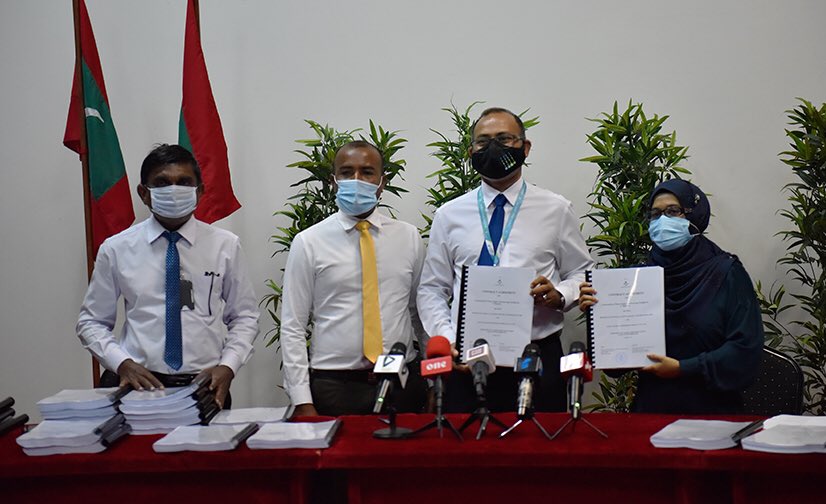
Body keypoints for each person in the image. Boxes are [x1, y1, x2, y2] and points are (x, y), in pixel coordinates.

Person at [417, 107, 595, 413]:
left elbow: (583, 272)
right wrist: (448, 340)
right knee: (466, 454)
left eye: (504, 139)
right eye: (483, 142)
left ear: (525, 148)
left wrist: (559, 295)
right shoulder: (449, 215)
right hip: (467, 360)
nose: (493, 148)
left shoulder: (555, 209)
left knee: (539, 454)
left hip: (536, 357)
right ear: (471, 151)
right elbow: (431, 289)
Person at [77, 144, 259, 409]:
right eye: (161, 183)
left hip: (205, 385)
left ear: (199, 191)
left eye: (184, 182)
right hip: (137, 385)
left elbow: (245, 316)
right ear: (144, 193)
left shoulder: (225, 246)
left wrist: (228, 366)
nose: (173, 190)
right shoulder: (116, 249)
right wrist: (122, 364)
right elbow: (90, 321)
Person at [578, 179, 764, 414]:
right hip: (651, 413)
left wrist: (683, 368)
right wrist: (599, 316)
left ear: (695, 216)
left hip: (713, 414)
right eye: (655, 214)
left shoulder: (726, 273)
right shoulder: (639, 279)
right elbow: (615, 368)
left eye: (673, 211)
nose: (662, 220)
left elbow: (746, 349)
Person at [281, 141, 427, 417]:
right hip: (335, 387)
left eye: (367, 172)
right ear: (334, 181)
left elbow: (421, 314)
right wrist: (302, 399)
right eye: (347, 172)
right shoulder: (309, 242)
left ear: (382, 182)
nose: (357, 180)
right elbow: (293, 325)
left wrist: (434, 380)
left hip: (401, 383)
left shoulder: (408, 238)